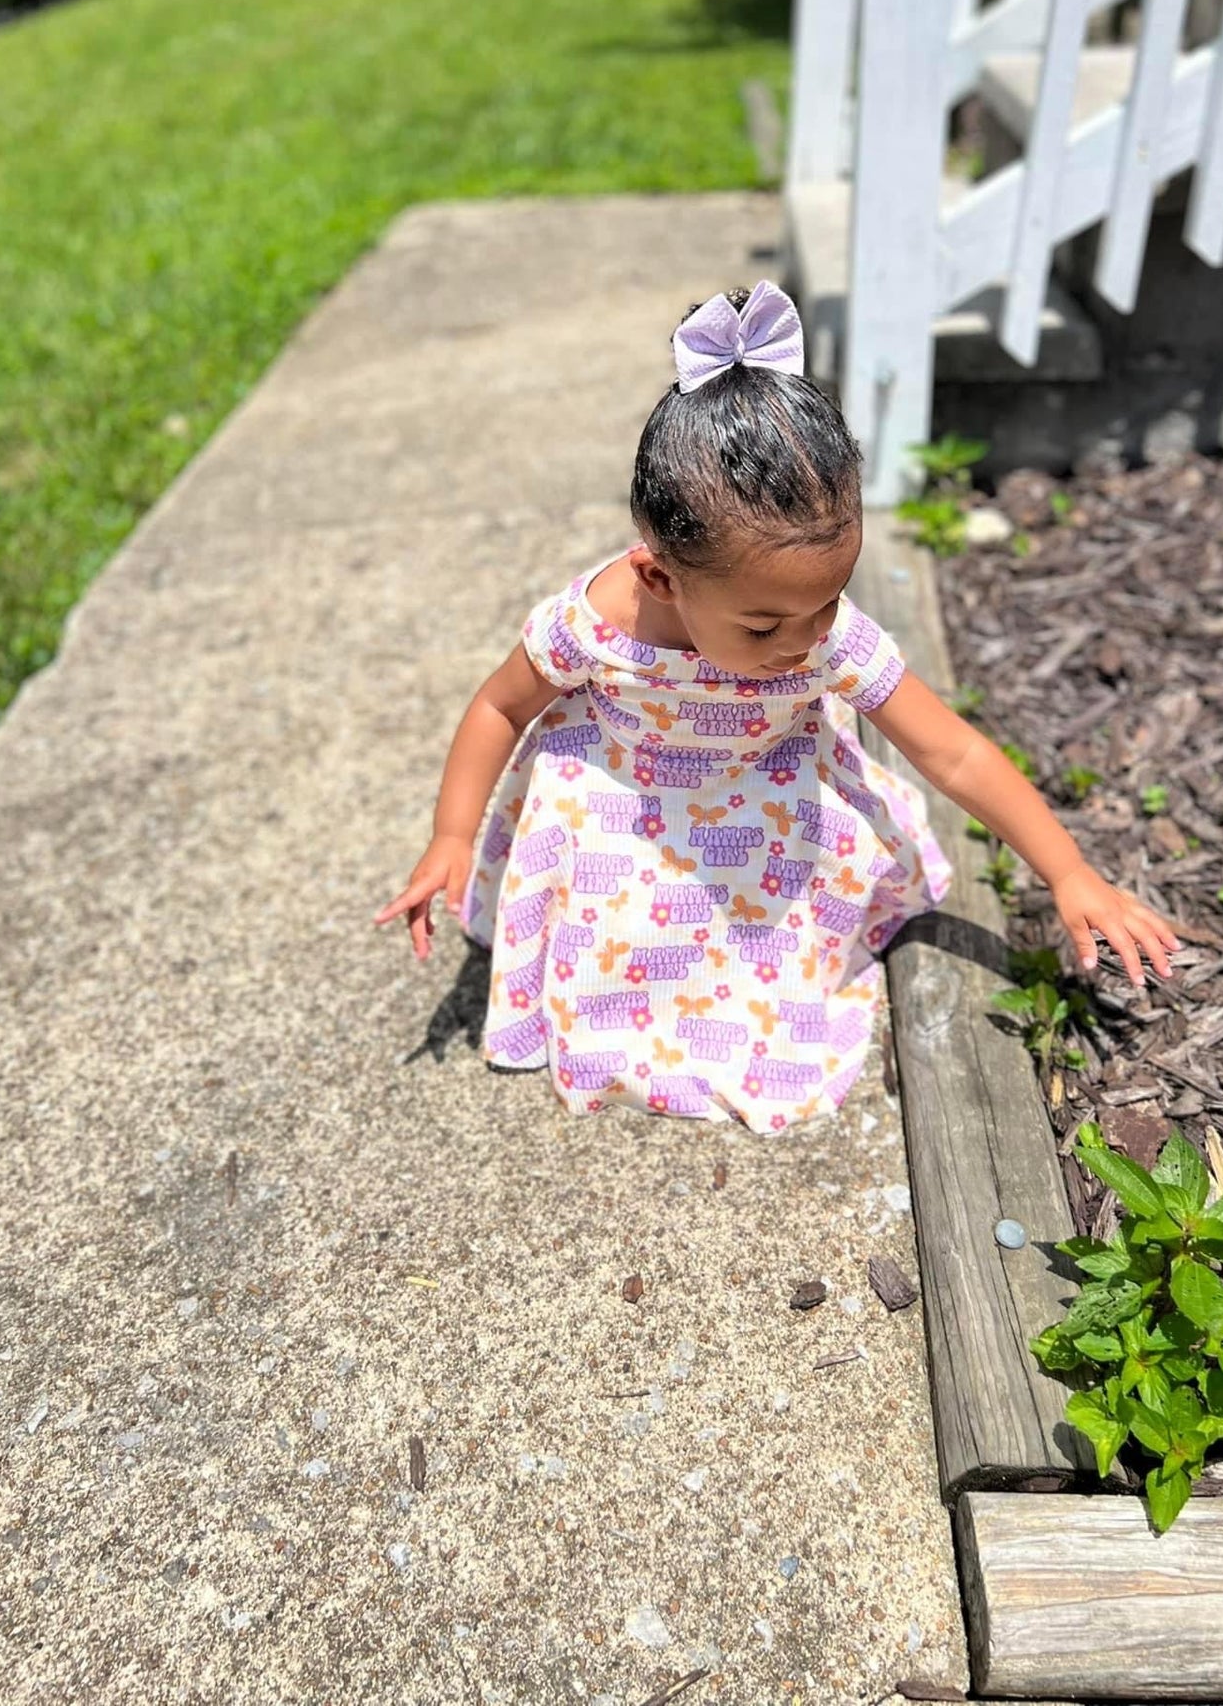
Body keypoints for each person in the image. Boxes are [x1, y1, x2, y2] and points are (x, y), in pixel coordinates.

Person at [376, 281, 1179, 1131]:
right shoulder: (595, 622)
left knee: (772, 949)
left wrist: (1067, 870)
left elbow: (953, 752)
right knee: (617, 935)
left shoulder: (820, 634)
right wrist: (453, 835)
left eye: (829, 602)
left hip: (764, 788)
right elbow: (500, 708)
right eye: (762, 623)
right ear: (660, 577)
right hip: (622, 793)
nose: (802, 640)